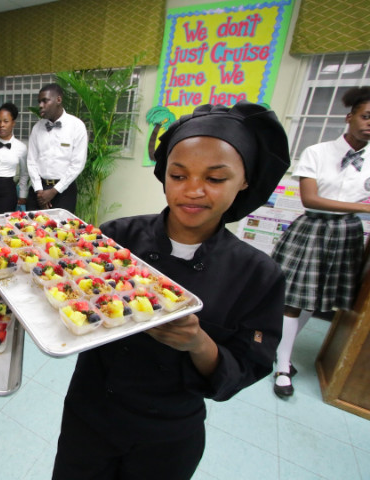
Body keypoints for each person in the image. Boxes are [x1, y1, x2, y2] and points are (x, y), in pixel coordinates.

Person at [52, 102, 289, 480]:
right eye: (179, 175)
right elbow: (63, 302)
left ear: (244, 180)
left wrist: (198, 343)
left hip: (167, 437)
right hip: (90, 416)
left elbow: (247, 367)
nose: (193, 191)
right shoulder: (116, 238)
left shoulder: (258, 275)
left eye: (214, 179)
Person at [271, 86, 370, 398]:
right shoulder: (317, 152)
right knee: (292, 299)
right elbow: (311, 199)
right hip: (313, 229)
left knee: (317, 299)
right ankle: (283, 364)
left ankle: (280, 350)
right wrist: (364, 208)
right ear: (350, 116)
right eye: (366, 116)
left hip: (346, 234)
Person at [25, 83, 87, 213]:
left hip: (63, 191)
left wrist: (53, 191)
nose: (40, 105)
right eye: (39, 102)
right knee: (31, 230)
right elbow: (31, 161)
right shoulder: (37, 128)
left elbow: (77, 164)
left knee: (62, 231)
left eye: (45, 101)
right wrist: (39, 191)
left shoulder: (76, 126)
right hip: (38, 190)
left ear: (58, 100)